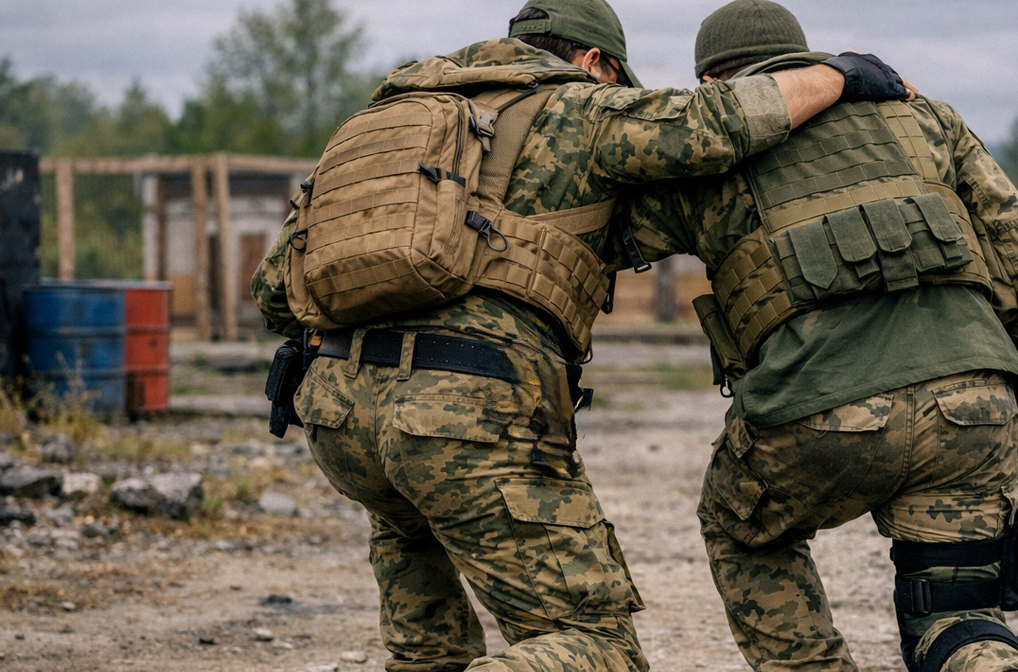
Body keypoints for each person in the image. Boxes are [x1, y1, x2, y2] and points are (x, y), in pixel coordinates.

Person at [251, 0, 913, 669]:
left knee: (427, 650)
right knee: (598, 649)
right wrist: (845, 75)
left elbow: (276, 290)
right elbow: (720, 123)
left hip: (339, 414)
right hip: (465, 411)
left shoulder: (382, 121)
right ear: (595, 61)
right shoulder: (578, 107)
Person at [616, 2, 1018, 671]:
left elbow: (607, 238)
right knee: (958, 619)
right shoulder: (926, 119)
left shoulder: (711, 155)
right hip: (972, 408)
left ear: (715, 89)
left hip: (817, 414)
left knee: (742, 530)